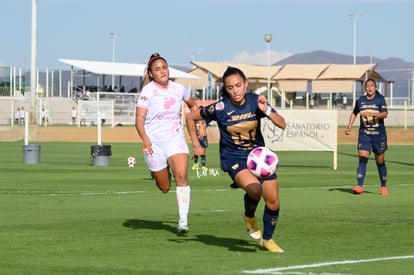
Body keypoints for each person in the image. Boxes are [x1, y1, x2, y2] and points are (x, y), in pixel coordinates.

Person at [185, 66, 287, 252]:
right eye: (230, 87)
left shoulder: (257, 101)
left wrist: (267, 111)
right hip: (234, 158)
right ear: (226, 88)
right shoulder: (221, 107)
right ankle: (249, 216)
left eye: (238, 86)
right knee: (255, 190)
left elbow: (282, 124)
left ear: (246, 84)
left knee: (274, 202)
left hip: (258, 157)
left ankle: (267, 239)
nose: (235, 91)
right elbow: (190, 117)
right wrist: (197, 144)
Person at [135, 53, 200, 234]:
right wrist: (145, 140)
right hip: (154, 142)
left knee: (181, 175)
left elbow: (194, 107)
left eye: (164, 68)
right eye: (157, 69)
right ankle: (159, 169)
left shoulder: (179, 89)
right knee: (164, 187)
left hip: (175, 139)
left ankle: (183, 221)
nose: (162, 71)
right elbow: (139, 119)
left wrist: (200, 123)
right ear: (151, 73)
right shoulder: (147, 91)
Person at [345, 78, 388, 196]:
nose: (369, 87)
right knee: (362, 159)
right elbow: (354, 113)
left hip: (379, 136)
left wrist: (372, 113)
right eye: (367, 86)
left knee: (380, 161)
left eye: (372, 86)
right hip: (365, 135)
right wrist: (349, 127)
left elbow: (385, 114)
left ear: (375, 88)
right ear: (365, 88)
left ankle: (383, 186)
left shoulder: (380, 99)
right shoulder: (360, 101)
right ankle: (359, 186)